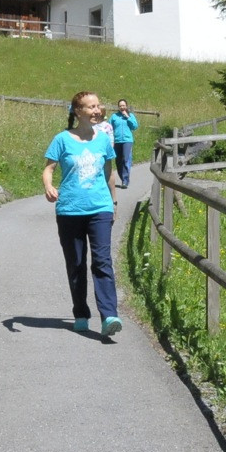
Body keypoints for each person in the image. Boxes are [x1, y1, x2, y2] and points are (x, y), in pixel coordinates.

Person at [42, 91, 122, 336]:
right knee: (76, 263)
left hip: (100, 208)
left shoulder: (103, 140)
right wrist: (48, 186)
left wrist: (114, 203)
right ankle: (80, 313)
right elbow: (49, 168)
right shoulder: (62, 139)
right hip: (70, 210)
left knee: (102, 261)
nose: (97, 110)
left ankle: (109, 315)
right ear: (78, 111)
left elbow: (109, 173)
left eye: (98, 106)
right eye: (91, 107)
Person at [107, 99, 139, 189]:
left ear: (126, 106)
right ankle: (123, 178)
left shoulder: (130, 115)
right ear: (118, 107)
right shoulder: (114, 116)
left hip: (127, 140)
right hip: (117, 141)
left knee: (125, 159)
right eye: (120, 106)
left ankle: (125, 181)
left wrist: (127, 117)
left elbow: (135, 126)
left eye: (123, 105)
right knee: (118, 161)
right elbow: (109, 127)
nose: (122, 107)